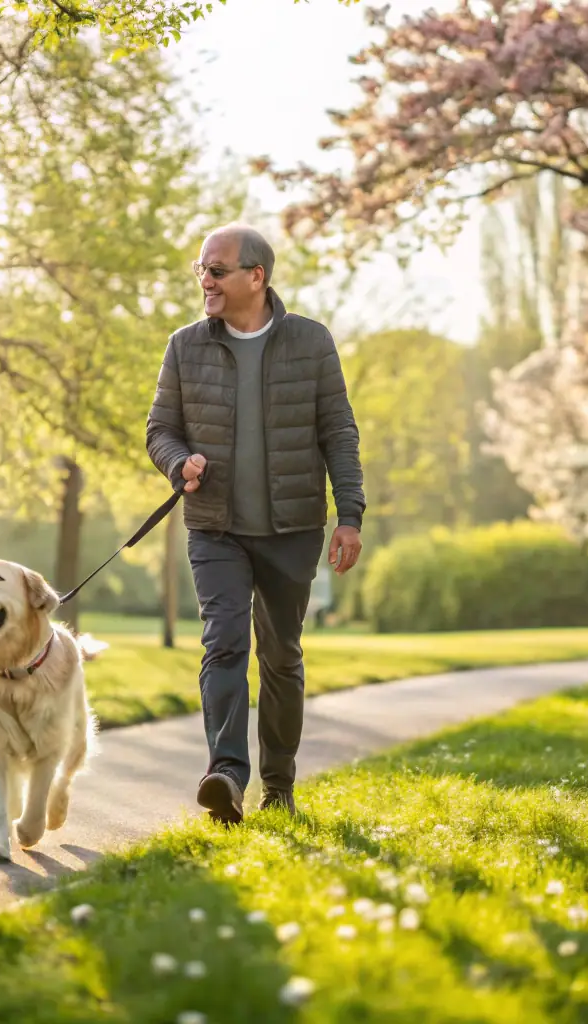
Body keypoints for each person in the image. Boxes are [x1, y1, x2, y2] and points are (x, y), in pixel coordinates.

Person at [145, 223, 365, 824]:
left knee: (282, 656)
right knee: (223, 645)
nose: (206, 281)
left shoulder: (311, 342)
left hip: (293, 528)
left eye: (217, 270)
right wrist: (176, 461)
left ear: (256, 276)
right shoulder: (185, 345)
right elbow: (159, 429)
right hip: (215, 526)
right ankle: (226, 776)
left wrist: (350, 515)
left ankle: (280, 784)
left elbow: (338, 433)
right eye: (201, 270)